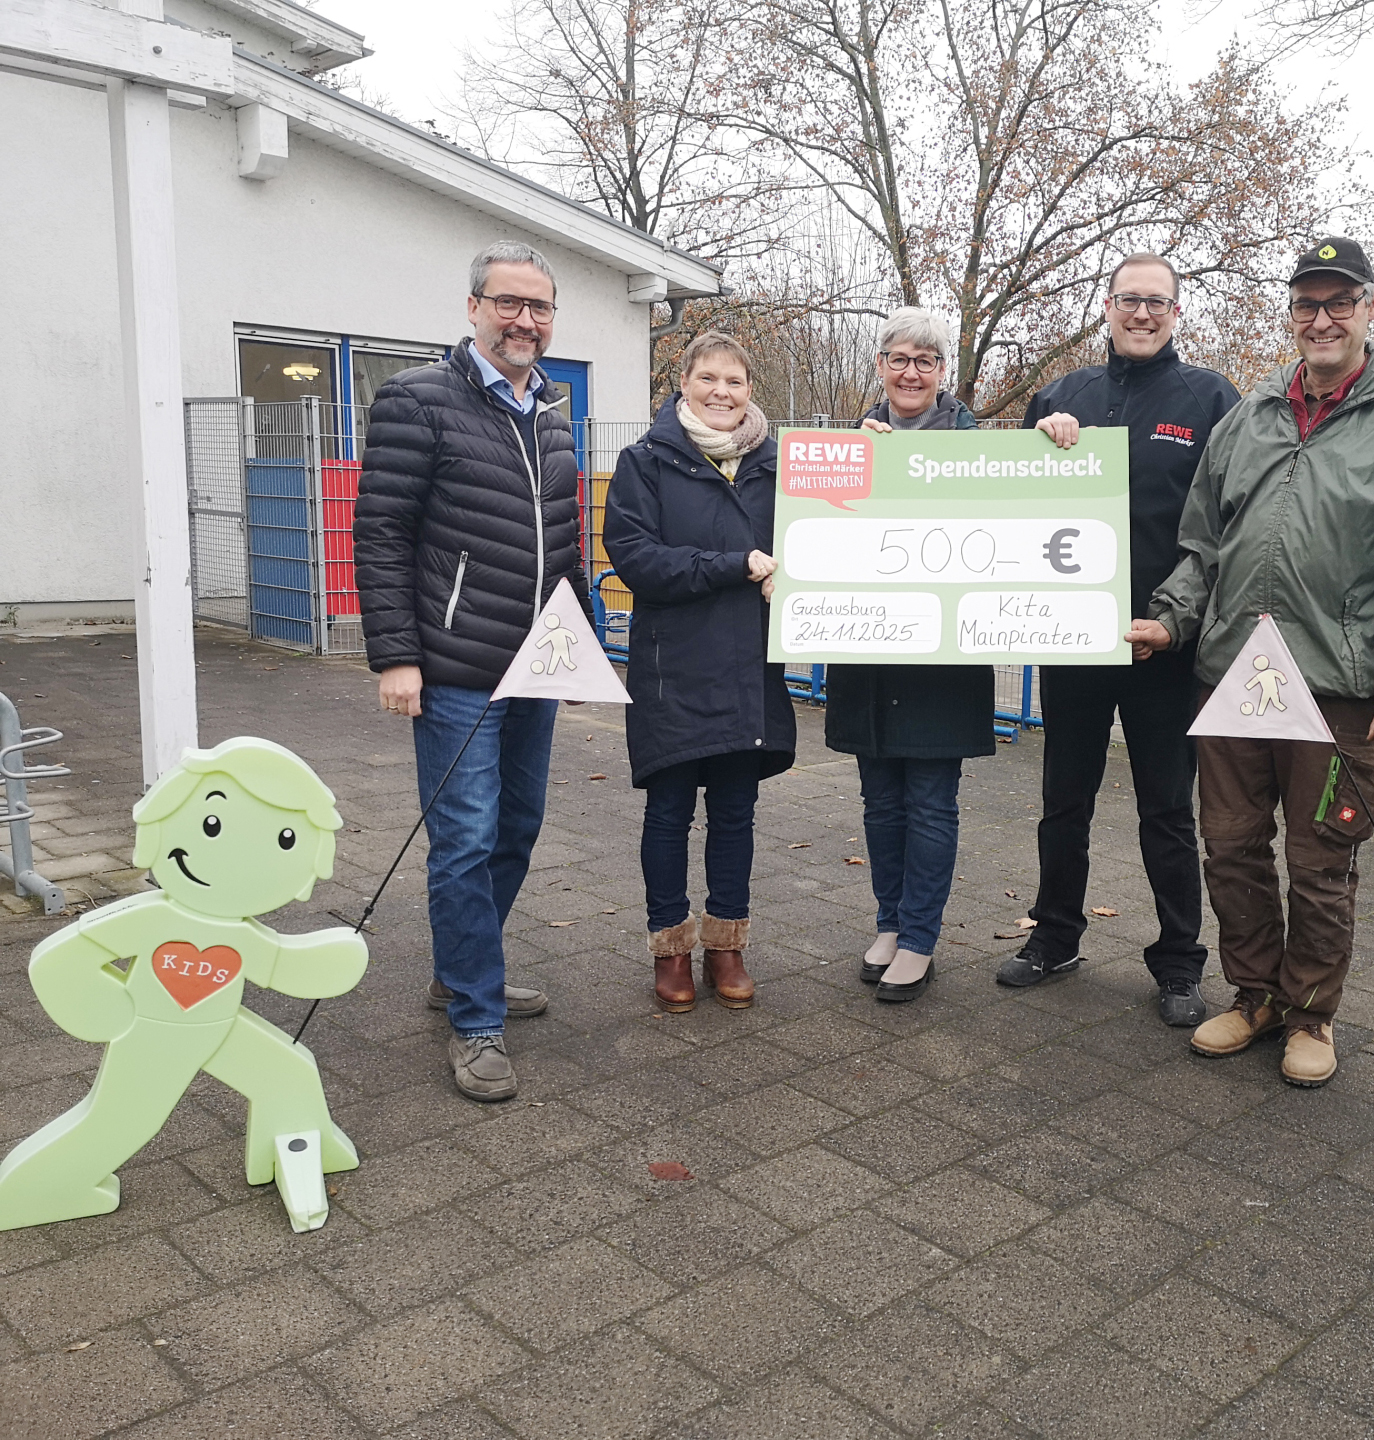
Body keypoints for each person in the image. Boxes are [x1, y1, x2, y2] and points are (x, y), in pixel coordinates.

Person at [1130, 236, 1374, 1086]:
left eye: (1338, 302)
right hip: (1237, 677)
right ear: (1292, 315)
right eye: (1307, 305)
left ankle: (1312, 1013)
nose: (1321, 319)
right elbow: (1203, 543)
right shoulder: (1249, 419)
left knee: (1322, 861)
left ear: (1369, 309)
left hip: (1340, 689)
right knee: (1232, 847)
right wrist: (1171, 620)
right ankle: (1255, 997)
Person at [355, 240, 590, 1102]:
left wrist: (579, 638)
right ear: (473, 307)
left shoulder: (552, 412)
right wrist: (397, 656)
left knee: (516, 827)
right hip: (453, 670)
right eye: (508, 303)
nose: (525, 320)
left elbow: (559, 545)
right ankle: (475, 1021)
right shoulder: (418, 401)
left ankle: (463, 970)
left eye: (539, 307)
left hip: (537, 664)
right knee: (463, 842)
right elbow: (379, 534)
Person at [997, 254, 1240, 1029]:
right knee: (1061, 800)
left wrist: (1178, 622)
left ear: (1177, 313)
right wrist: (1038, 443)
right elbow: (1009, 505)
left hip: (1164, 648)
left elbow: (1228, 526)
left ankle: (1177, 963)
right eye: (1129, 300)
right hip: (1073, 642)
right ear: (1106, 307)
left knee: (1168, 810)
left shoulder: (1211, 400)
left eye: (1157, 302)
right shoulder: (1062, 397)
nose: (1142, 313)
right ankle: (1056, 937)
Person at [602, 334, 795, 1013]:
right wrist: (734, 565)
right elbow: (635, 558)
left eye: (735, 380)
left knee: (737, 814)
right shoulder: (645, 462)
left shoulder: (781, 466)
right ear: (682, 382)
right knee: (670, 812)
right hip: (672, 669)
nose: (721, 391)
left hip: (749, 665)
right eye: (708, 377)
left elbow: (823, 539)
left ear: (750, 388)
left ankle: (727, 944)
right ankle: (671, 950)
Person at [827, 307, 992, 1003]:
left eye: (925, 361)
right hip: (869, 655)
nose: (911, 372)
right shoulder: (851, 445)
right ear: (879, 368)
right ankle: (889, 923)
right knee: (881, 804)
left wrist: (1055, 443)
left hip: (941, 659)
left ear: (943, 373)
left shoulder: (977, 447)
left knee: (929, 802)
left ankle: (921, 937)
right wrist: (853, 473)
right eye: (898, 358)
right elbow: (823, 539)